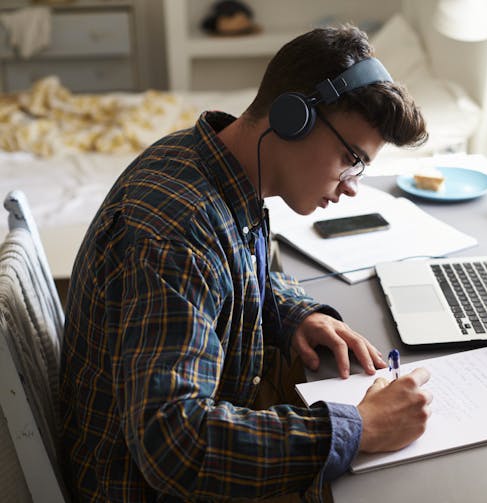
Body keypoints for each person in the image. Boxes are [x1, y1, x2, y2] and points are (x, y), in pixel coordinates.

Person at [59, 25, 432, 502]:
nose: (350, 185)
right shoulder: (178, 234)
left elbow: (229, 273)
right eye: (349, 157)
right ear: (292, 117)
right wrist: (359, 427)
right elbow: (175, 444)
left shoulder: (205, 163)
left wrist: (298, 313)